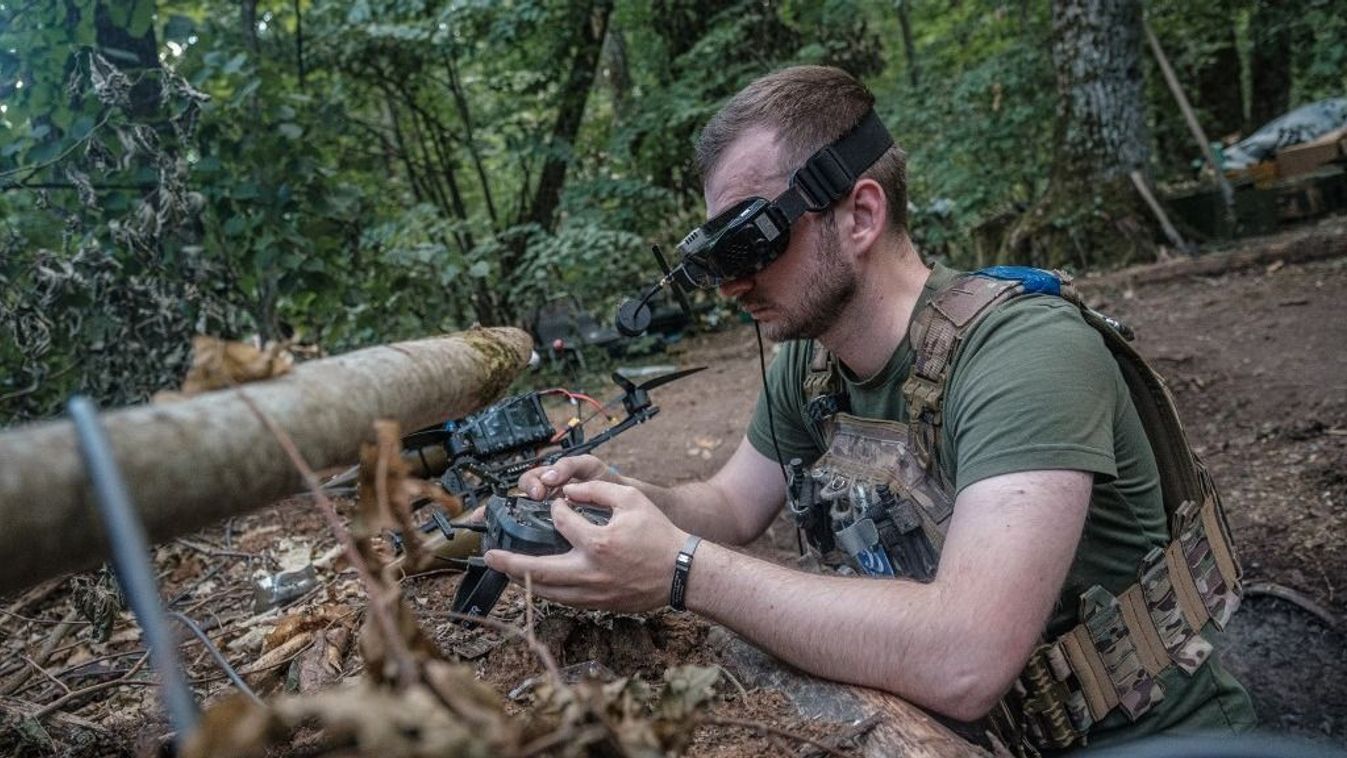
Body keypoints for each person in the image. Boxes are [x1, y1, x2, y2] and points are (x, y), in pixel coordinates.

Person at [484, 66, 1255, 752]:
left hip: (1148, 738)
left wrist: (681, 571)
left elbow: (965, 657)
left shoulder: (1024, 354)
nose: (727, 288)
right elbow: (722, 504)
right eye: (713, 259)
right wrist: (618, 501)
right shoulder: (809, 363)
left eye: (751, 244)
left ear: (859, 215)